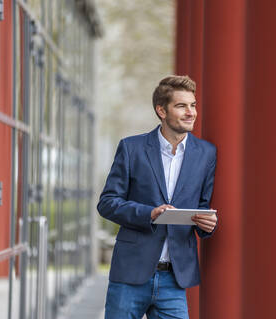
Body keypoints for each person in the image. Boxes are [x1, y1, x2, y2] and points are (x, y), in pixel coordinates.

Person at [97, 75, 218, 319]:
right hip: (130, 275)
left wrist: (208, 225)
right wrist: (148, 214)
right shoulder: (132, 148)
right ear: (161, 110)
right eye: (181, 106)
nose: (191, 112)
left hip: (174, 279)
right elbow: (107, 202)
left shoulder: (206, 153)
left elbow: (203, 205)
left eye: (193, 105)